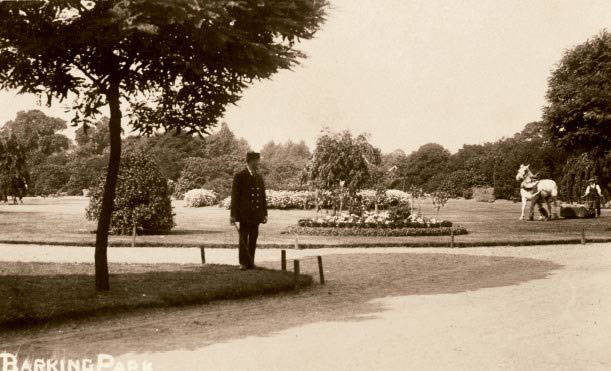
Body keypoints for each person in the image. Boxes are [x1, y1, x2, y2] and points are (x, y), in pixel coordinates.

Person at [230, 152, 268, 270]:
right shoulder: (240, 176)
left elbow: (262, 197)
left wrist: (264, 213)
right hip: (245, 215)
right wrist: (233, 215)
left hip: (256, 215)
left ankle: (251, 262)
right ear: (251, 161)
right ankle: (243, 263)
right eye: (257, 160)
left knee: (253, 238)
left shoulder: (259, 177)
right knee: (244, 238)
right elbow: (235, 197)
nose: (258, 162)